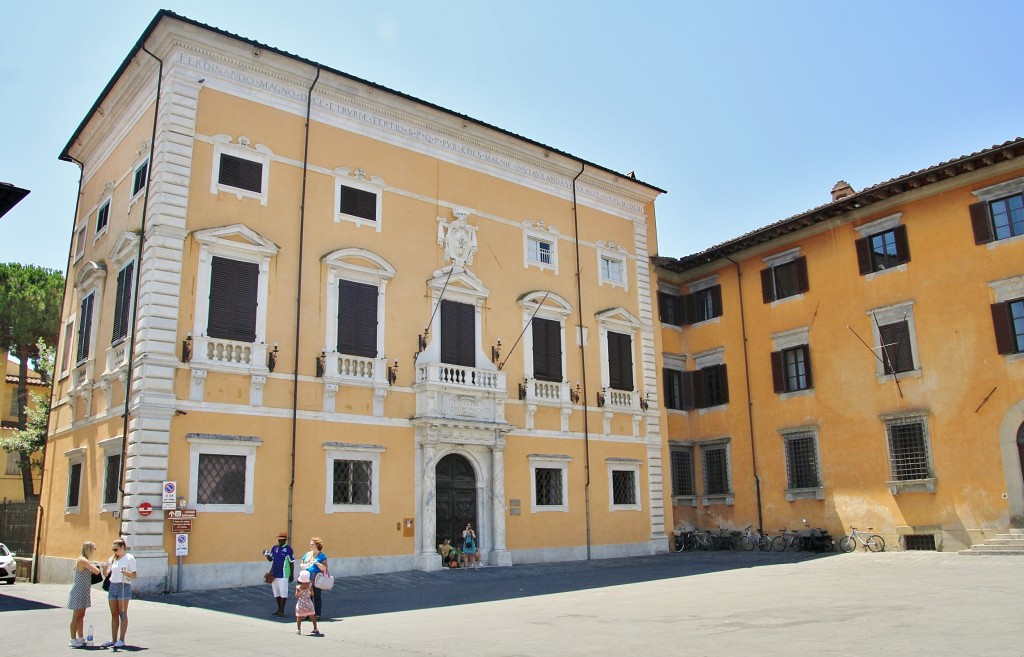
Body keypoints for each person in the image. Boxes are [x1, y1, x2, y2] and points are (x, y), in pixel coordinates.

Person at [101, 538, 136, 649]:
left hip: (123, 586)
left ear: (122, 547)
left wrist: (126, 573)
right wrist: (104, 570)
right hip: (113, 586)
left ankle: (122, 639)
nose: (114, 551)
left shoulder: (129, 558)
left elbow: (134, 575)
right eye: (113, 549)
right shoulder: (112, 559)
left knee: (122, 613)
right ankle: (113, 639)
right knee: (114, 613)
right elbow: (107, 574)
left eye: (116, 549)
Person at [67, 541, 102, 647]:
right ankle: (72, 639)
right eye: (93, 549)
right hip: (78, 590)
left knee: (81, 615)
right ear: (88, 549)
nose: (94, 552)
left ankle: (81, 637)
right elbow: (96, 571)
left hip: (84, 590)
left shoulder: (86, 561)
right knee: (76, 615)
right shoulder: (83, 560)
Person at [265, 531, 294, 617]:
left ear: (285, 540)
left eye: (281, 540)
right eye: (279, 540)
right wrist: (267, 555)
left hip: (284, 574)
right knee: (276, 592)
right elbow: (271, 559)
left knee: (283, 592)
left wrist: (291, 574)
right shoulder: (275, 548)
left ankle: (282, 610)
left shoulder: (289, 549)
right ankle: (278, 609)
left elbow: (291, 562)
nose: (279, 541)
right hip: (274, 573)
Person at [299, 537, 328, 620]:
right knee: (306, 596)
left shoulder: (322, 556)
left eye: (312, 544)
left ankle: (317, 614)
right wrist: (303, 565)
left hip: (316, 578)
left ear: (317, 545)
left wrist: (317, 563)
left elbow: (325, 568)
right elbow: (301, 563)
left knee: (316, 596)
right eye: (310, 544)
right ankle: (307, 613)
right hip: (306, 578)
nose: (310, 546)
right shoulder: (307, 554)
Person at [294, 570, 321, 636]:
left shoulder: (298, 587)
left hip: (301, 603)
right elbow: (312, 594)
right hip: (308, 602)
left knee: (299, 617)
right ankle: (315, 628)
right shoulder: (309, 586)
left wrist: (300, 594)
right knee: (312, 616)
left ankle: (298, 629)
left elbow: (296, 595)